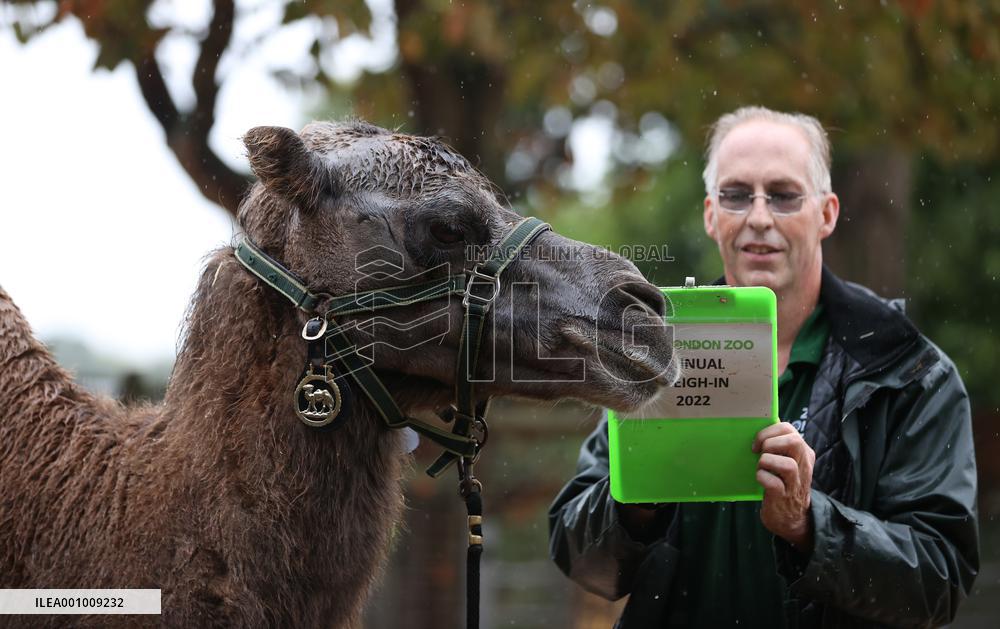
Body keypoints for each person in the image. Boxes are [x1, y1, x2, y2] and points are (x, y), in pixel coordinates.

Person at [548, 106, 979, 627]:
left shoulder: (907, 371)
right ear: (711, 214)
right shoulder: (653, 350)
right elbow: (582, 560)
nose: (758, 217)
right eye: (736, 195)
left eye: (782, 194)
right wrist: (636, 507)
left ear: (827, 213)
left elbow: (941, 580)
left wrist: (808, 526)